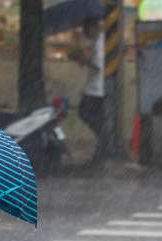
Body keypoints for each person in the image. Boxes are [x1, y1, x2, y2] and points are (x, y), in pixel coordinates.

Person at [71, 16, 106, 166]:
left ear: (93, 28)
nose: (86, 34)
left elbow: (99, 66)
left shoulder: (102, 42)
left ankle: (104, 138)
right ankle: (103, 141)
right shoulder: (97, 42)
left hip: (97, 88)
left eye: (87, 31)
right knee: (89, 115)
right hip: (93, 87)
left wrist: (84, 60)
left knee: (85, 112)